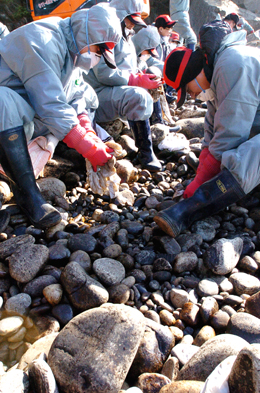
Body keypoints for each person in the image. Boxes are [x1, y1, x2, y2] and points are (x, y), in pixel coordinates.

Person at [0, 4, 121, 230]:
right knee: (2, 101)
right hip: (8, 115)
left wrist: (89, 132)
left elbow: (76, 95)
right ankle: (27, 194)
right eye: (98, 50)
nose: (97, 57)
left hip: (24, 116)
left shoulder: (73, 50)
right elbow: (50, 103)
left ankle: (20, 167)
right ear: (87, 34)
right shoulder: (43, 39)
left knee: (85, 98)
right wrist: (86, 146)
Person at [154, 27, 260, 237]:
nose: (193, 96)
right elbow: (213, 127)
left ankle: (188, 211)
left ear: (194, 73)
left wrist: (201, 181)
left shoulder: (231, 64)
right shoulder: (217, 70)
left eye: (189, 90)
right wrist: (204, 162)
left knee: (251, 155)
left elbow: (231, 132)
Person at [84, 0, 163, 173]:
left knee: (148, 81)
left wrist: (142, 75)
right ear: (120, 15)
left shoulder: (126, 34)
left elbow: (128, 66)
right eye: (131, 19)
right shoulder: (107, 34)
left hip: (110, 90)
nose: (132, 24)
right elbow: (104, 74)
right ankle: (146, 152)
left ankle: (152, 130)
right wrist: (135, 80)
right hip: (95, 95)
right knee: (138, 96)